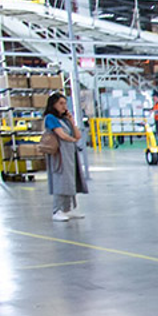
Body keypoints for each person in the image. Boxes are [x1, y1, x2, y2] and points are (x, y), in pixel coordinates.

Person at [43, 92, 87, 221]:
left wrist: (71, 121)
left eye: (65, 103)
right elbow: (61, 135)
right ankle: (57, 210)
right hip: (59, 154)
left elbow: (77, 135)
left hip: (70, 153)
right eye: (60, 103)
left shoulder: (65, 120)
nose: (64, 106)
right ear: (53, 105)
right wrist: (73, 140)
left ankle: (68, 209)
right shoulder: (50, 118)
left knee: (70, 180)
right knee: (60, 180)